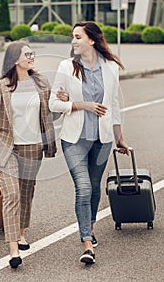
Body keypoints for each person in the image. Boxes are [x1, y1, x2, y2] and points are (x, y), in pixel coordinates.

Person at [49, 21, 129, 265]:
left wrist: (119, 137)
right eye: (72, 37)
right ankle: (86, 242)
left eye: (77, 37)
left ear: (91, 40)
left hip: (102, 139)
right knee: (83, 187)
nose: (73, 41)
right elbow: (53, 104)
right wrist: (77, 104)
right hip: (74, 139)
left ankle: (90, 227)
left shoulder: (111, 67)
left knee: (94, 187)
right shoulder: (66, 66)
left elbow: (113, 105)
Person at [0, 40, 57, 269]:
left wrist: (61, 103)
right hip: (7, 148)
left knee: (26, 192)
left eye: (32, 53)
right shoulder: (1, 87)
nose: (32, 57)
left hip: (33, 147)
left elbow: (50, 116)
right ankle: (13, 249)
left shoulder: (41, 83)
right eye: (27, 54)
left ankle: (21, 233)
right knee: (12, 194)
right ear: (14, 60)